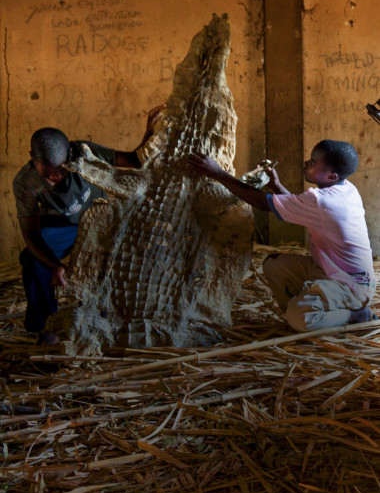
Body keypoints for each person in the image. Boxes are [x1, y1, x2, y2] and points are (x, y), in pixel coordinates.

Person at [13, 104, 165, 344]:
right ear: (33, 159)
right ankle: (46, 328)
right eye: (46, 174)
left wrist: (149, 131)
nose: (54, 179)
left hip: (99, 222)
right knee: (33, 262)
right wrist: (54, 266)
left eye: (60, 172)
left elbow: (135, 160)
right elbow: (31, 235)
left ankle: (112, 321)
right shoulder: (25, 182)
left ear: (69, 157)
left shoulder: (84, 152)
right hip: (63, 229)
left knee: (131, 256)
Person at [188, 140, 376, 332]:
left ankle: (354, 315)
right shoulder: (344, 188)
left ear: (331, 175)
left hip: (351, 285)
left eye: (313, 162)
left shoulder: (324, 201)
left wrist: (218, 173)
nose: (306, 163)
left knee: (300, 317)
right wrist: (276, 185)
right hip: (328, 271)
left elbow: (261, 203)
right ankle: (315, 312)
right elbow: (297, 207)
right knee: (274, 265)